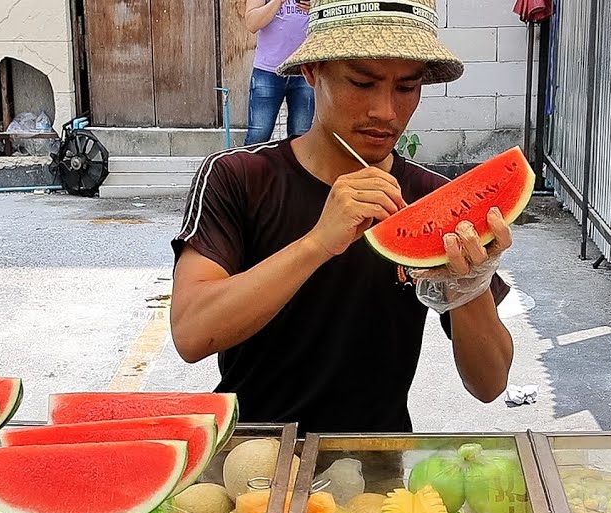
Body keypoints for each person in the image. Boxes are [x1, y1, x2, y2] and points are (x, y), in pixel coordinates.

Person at [170, 0, 514, 433]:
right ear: (313, 71)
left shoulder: (432, 198)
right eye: (362, 82)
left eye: (406, 88)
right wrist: (318, 243)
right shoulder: (238, 177)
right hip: (254, 459)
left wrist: (470, 285)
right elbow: (191, 332)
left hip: (377, 462)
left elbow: (489, 383)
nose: (385, 111)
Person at [242, 0, 315, 145]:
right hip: (268, 71)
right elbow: (251, 23)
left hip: (305, 69)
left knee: (301, 136)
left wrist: (315, 9)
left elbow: (332, 15)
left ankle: (294, 169)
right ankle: (250, 168)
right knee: (258, 135)